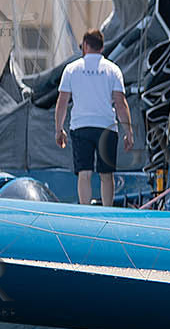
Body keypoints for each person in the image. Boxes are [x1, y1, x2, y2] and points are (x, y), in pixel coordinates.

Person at [55, 28, 134, 206]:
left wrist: (59, 129)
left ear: (84, 46)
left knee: (84, 173)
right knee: (106, 174)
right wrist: (129, 131)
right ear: (102, 47)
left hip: (81, 126)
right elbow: (120, 103)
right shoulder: (113, 70)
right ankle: (108, 211)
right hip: (106, 126)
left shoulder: (71, 69)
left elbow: (62, 102)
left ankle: (85, 212)